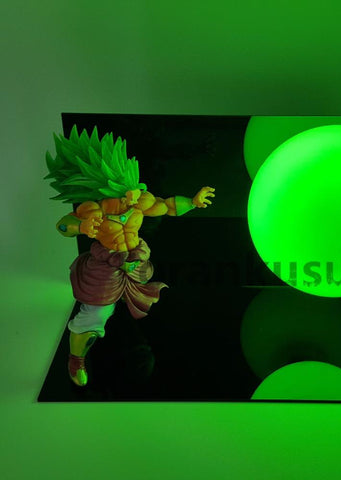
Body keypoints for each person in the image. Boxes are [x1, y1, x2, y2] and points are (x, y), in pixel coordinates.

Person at [46, 125, 215, 386]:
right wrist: (81, 226)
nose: (136, 194)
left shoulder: (140, 199)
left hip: (135, 264)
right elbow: (63, 225)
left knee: (145, 301)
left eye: (135, 189)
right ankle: (76, 360)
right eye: (128, 192)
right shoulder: (95, 208)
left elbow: (167, 206)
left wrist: (193, 202)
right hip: (107, 267)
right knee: (96, 316)